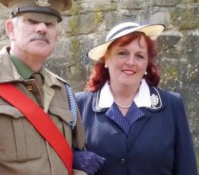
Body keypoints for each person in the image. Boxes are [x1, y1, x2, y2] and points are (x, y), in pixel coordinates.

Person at [0, 0, 104, 174]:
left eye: (49, 23)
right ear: (11, 29)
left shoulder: (63, 91)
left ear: (57, 35)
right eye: (31, 21)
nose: (42, 28)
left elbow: (76, 159)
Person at [75, 22, 198, 175]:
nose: (131, 62)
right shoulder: (80, 105)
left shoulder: (172, 105)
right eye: (122, 53)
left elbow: (187, 168)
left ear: (147, 64)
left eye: (139, 56)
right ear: (106, 59)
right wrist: (73, 157)